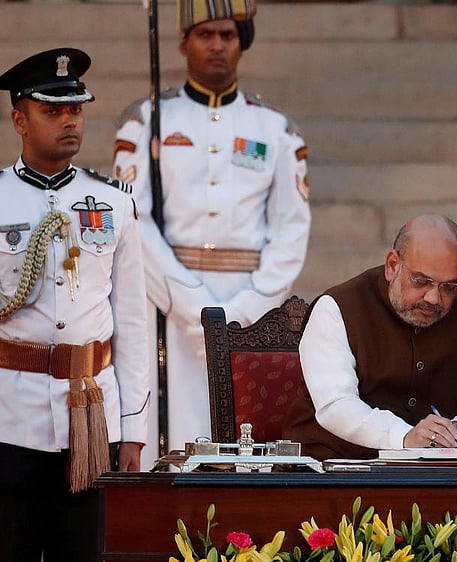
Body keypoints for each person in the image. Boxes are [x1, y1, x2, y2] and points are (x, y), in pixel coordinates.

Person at [112, 0, 311, 468]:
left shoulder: (276, 129)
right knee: (172, 438)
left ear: (242, 43)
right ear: (183, 42)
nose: (217, 45)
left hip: (251, 304)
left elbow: (291, 228)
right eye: (205, 34)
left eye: (228, 35)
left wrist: (247, 310)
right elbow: (133, 216)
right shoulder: (145, 121)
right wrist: (187, 302)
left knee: (243, 445)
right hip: (167, 303)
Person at [0, 48, 150, 561]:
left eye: (76, 110)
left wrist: (136, 431)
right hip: (8, 417)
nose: (69, 121)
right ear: (19, 119)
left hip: (92, 415)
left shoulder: (115, 203)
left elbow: (132, 321)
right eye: (52, 111)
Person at [283, 214, 457, 460]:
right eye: (421, 281)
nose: (434, 298)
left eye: (449, 287)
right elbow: (335, 406)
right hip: (331, 469)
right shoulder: (338, 308)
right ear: (392, 266)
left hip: (434, 477)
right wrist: (404, 436)